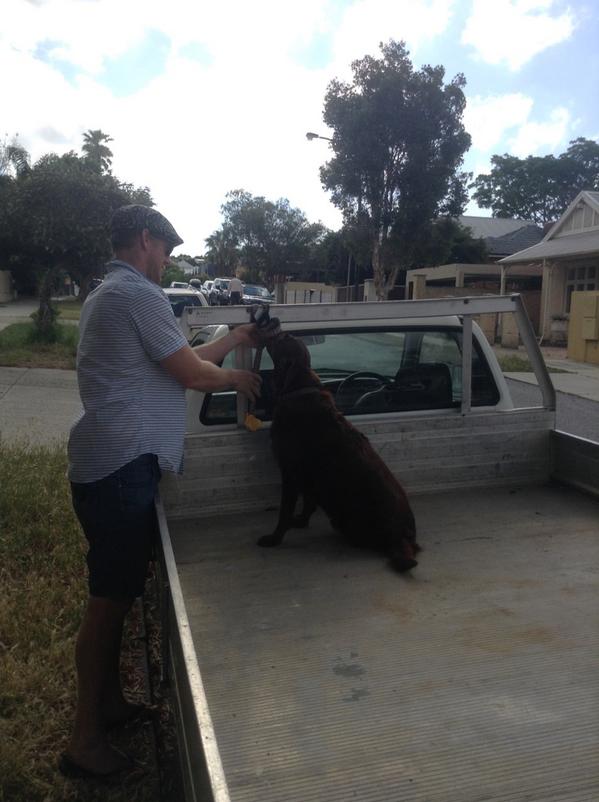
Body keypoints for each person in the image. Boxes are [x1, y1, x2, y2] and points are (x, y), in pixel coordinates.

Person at [60, 204, 261, 779]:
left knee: (116, 594)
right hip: (121, 468)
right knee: (107, 603)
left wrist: (236, 338)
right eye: (167, 249)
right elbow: (196, 376)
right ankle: (84, 742)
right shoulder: (137, 295)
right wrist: (240, 377)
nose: (169, 261)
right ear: (145, 240)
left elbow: (183, 361)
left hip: (110, 465)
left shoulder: (109, 293)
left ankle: (107, 703)